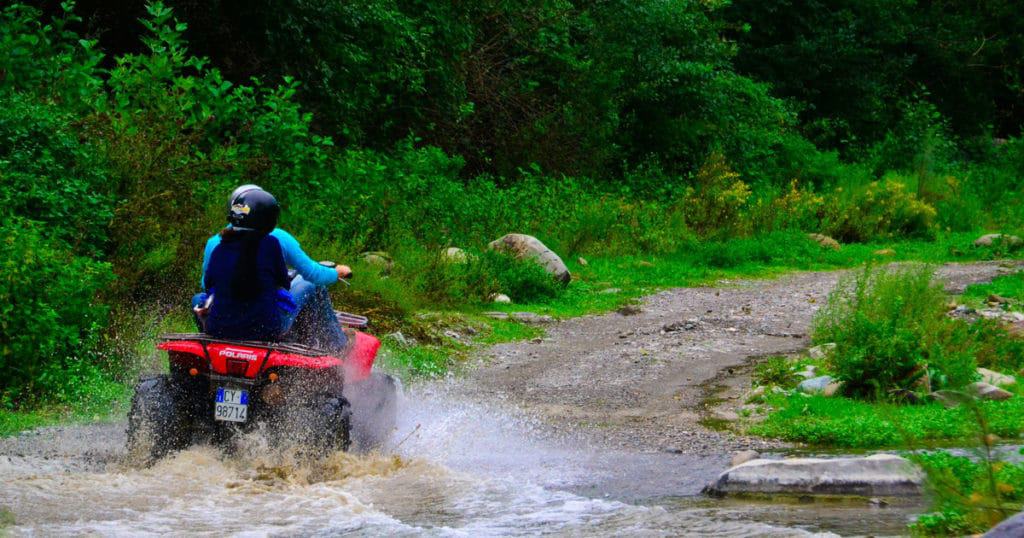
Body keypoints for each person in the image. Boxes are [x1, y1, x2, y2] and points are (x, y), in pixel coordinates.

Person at [193, 185, 352, 350]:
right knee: (310, 285)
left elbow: (208, 285)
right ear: (268, 218)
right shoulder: (273, 242)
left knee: (198, 299)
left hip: (219, 327)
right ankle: (337, 346)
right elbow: (287, 282)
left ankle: (212, 344)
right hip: (265, 328)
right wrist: (336, 272)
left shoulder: (217, 244)